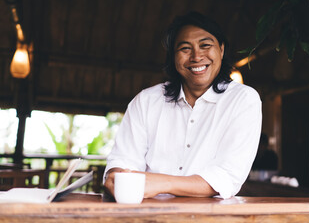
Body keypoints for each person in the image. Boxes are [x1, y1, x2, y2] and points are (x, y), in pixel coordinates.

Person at [103, 11, 262, 199]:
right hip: (147, 215)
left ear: (221, 49)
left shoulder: (243, 100)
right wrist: (116, 174)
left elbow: (227, 176)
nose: (196, 56)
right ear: (173, 56)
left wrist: (163, 183)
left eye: (205, 46)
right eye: (185, 49)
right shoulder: (146, 101)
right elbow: (123, 160)